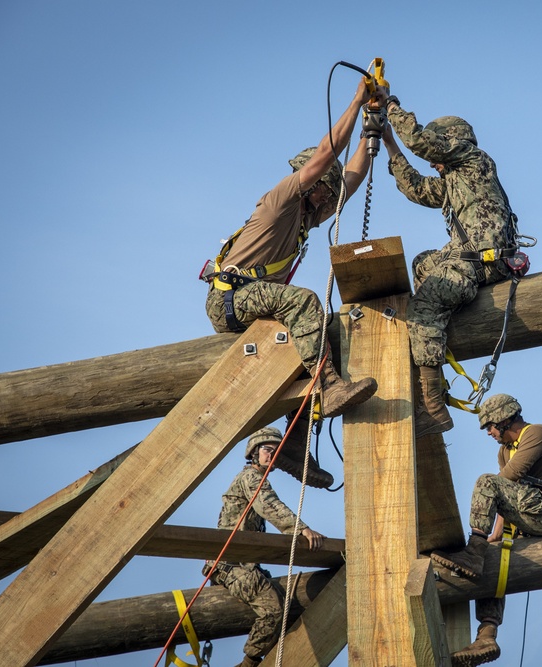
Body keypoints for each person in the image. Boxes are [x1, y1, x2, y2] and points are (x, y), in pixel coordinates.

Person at [204, 79, 387, 420]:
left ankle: (296, 425)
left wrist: (372, 126)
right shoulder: (282, 200)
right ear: (310, 183)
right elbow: (325, 155)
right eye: (324, 191)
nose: (329, 199)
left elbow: (352, 179)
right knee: (303, 302)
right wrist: (356, 101)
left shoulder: (305, 216)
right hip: (229, 297)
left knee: (302, 336)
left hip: (251, 297)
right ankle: (330, 386)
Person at [381, 97, 519, 436]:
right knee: (421, 264)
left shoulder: (474, 160)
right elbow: (415, 189)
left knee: (424, 305)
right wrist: (387, 141)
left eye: (438, 154)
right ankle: (431, 344)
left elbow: (420, 143)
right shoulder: (456, 180)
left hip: (484, 261)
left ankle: (433, 404)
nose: (434, 165)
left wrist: (391, 109)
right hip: (470, 258)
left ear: (453, 141)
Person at [429, 394, 542, 666]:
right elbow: (502, 500)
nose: (489, 433)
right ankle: (487, 633)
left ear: (504, 419)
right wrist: (491, 539)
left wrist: (478, 541)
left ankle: (474, 549)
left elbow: (506, 480)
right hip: (527, 515)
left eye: (490, 426)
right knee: (492, 555)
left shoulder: (538, 433)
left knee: (487, 481)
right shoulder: (504, 451)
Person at [203, 427, 325, 667]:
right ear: (254, 453)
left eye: (276, 451)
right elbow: (268, 504)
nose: (272, 455)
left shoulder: (255, 478)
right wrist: (301, 528)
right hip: (231, 565)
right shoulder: (251, 478)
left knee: (287, 608)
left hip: (243, 564)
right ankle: (249, 662)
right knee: (273, 609)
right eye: (268, 450)